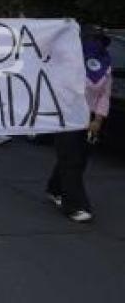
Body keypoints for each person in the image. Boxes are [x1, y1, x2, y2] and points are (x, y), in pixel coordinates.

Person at [46, 28, 112, 223]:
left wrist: (98, 119)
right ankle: (75, 206)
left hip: (89, 120)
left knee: (77, 160)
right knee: (71, 160)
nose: (96, 45)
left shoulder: (106, 66)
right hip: (67, 117)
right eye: (92, 40)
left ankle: (54, 188)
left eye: (100, 41)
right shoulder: (69, 63)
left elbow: (103, 96)